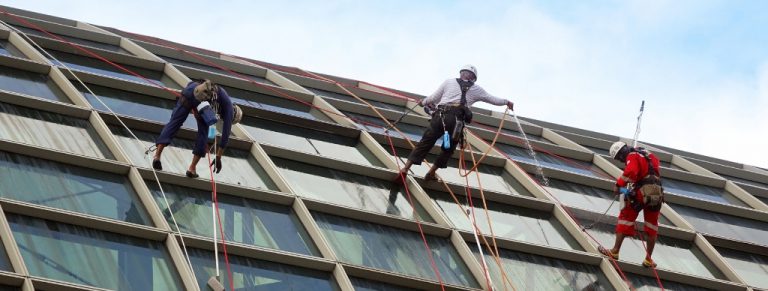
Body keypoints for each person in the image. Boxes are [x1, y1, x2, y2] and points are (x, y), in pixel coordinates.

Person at [398, 65, 514, 180]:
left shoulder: (449, 82)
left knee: (426, 142)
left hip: (440, 118)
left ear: (461, 73)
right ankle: (432, 172)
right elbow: (492, 99)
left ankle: (405, 169)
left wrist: (423, 102)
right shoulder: (477, 89)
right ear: (473, 78)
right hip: (455, 123)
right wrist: (507, 102)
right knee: (447, 148)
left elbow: (433, 97)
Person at [152, 79, 243, 178]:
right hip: (202, 101)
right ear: (234, 115)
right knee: (203, 135)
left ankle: (157, 156)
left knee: (174, 123)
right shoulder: (229, 108)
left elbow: (191, 86)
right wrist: (218, 157)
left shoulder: (219, 95)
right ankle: (192, 168)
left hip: (191, 91)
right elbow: (225, 137)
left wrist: (194, 108)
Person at [599, 141, 664, 268]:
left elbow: (631, 172)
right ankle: (648, 259)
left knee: (625, 217)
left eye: (620, 158)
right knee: (652, 226)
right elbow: (649, 171)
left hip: (641, 192)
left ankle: (615, 251)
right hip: (656, 192)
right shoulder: (648, 155)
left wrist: (618, 185)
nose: (622, 160)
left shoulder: (632, 155)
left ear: (622, 152)